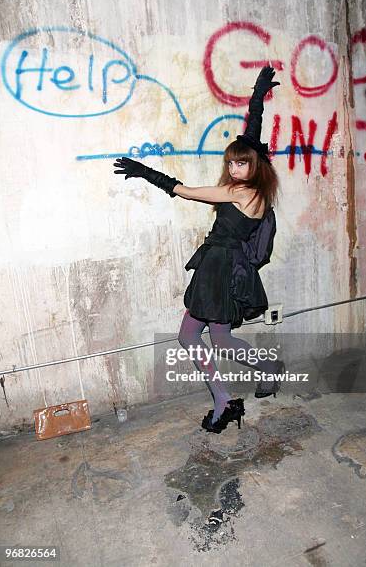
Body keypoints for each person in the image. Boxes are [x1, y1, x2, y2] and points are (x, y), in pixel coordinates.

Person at [113, 66, 284, 434]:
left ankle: (224, 398)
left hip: (219, 268)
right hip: (227, 266)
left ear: (252, 165)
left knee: (189, 336)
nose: (234, 169)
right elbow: (251, 136)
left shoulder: (239, 191)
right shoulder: (259, 186)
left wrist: (144, 171)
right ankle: (261, 373)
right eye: (231, 163)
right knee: (219, 339)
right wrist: (257, 98)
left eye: (240, 164)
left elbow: (185, 191)